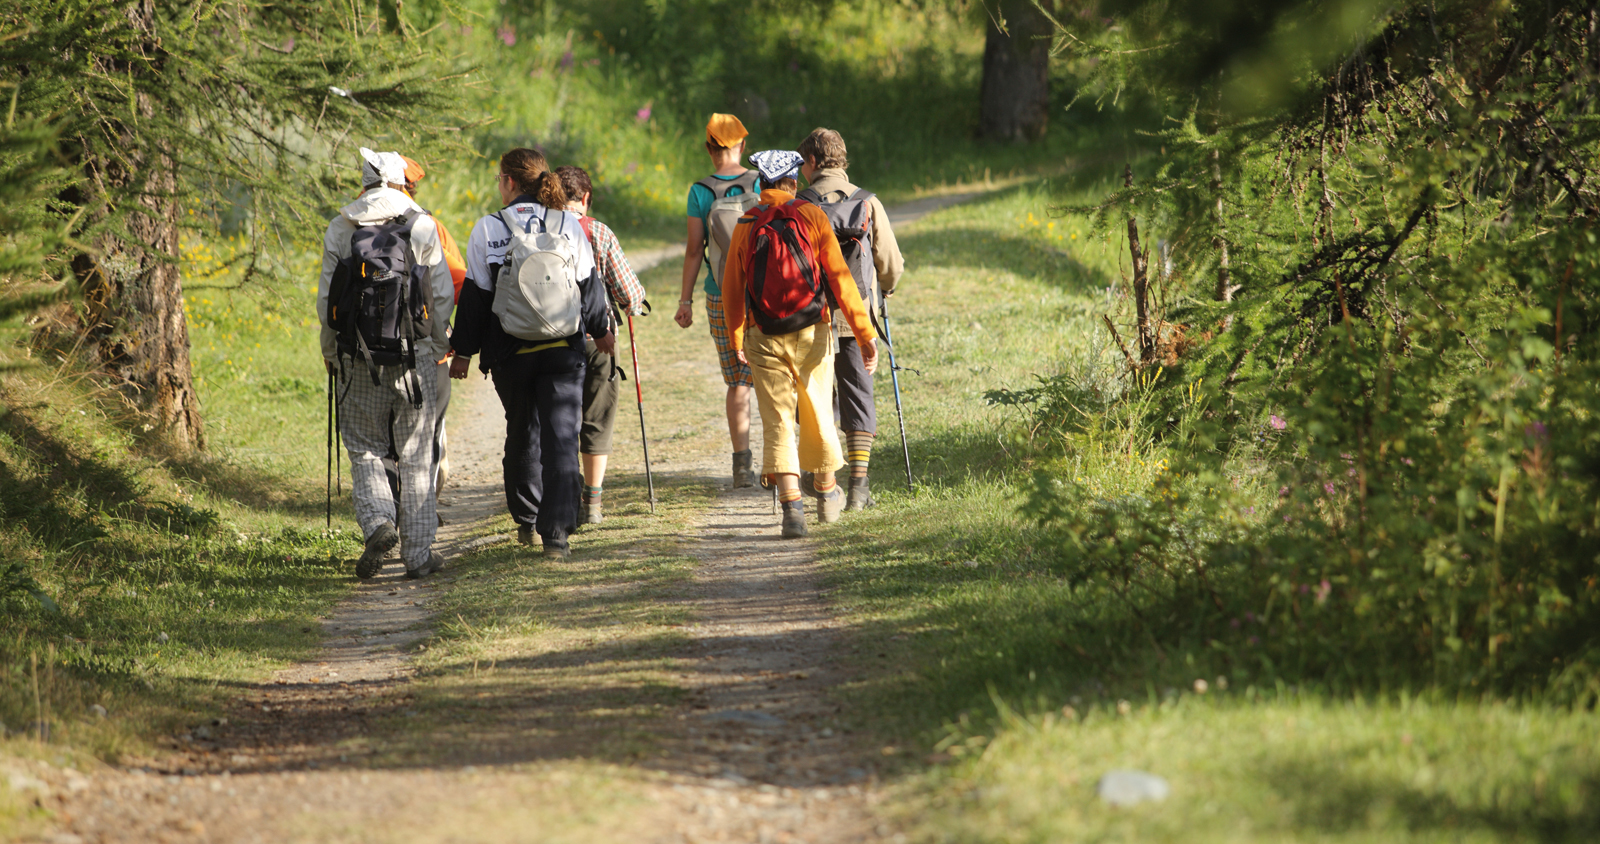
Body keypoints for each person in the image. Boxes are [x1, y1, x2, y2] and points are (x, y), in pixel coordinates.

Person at [448, 148, 616, 558]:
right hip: (564, 348)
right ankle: (556, 533)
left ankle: (528, 520)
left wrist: (464, 353)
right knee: (562, 436)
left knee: (522, 429)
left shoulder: (488, 228)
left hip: (510, 351)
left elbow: (475, 298)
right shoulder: (566, 222)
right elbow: (588, 284)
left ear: (508, 181)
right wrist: (602, 331)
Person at [722, 149, 879, 539]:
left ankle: (792, 511)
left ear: (760, 184)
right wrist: (865, 335)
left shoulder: (746, 223)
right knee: (818, 412)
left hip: (763, 336)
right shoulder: (811, 216)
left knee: (777, 422)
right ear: (794, 183)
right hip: (814, 332)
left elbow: (732, 290)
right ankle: (826, 495)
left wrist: (737, 336)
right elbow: (841, 280)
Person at [318, 148, 454, 579]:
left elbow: (328, 303)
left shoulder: (341, 227)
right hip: (414, 360)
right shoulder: (423, 225)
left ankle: (378, 522)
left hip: (357, 359)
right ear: (401, 183)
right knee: (416, 454)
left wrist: (329, 352)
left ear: (364, 182)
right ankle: (418, 556)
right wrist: (436, 346)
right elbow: (442, 296)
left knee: (365, 449)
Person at [795, 128, 905, 511]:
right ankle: (859, 485)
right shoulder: (868, 202)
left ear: (811, 162)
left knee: (816, 395)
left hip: (810, 316)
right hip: (856, 316)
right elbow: (890, 263)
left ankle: (822, 476)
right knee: (858, 393)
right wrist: (884, 290)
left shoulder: (800, 204)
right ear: (842, 160)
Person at [554, 165, 648, 525]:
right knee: (597, 418)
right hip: (599, 340)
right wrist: (635, 304)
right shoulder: (599, 233)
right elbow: (630, 292)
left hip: (550, 339)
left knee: (559, 419)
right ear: (586, 198)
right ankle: (592, 503)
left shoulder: (540, 229)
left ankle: (563, 494)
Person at [674, 113, 760, 488]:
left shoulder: (700, 191)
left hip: (721, 296)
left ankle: (742, 466)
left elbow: (695, 250)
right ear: (742, 145)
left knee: (738, 380)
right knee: (776, 373)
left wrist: (685, 300)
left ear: (709, 147)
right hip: (765, 293)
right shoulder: (762, 181)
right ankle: (786, 459)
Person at [400, 156, 468, 496]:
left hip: (367, 353)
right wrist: (445, 339)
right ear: (412, 187)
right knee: (427, 434)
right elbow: (457, 284)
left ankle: (388, 508)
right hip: (426, 350)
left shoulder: (350, 224)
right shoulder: (430, 225)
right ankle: (423, 508)